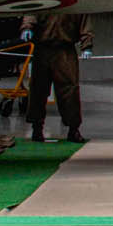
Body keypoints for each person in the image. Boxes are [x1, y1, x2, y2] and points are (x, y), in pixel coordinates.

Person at [21, 12, 92, 143]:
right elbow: (32, 11)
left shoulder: (76, 1)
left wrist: (86, 45)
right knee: (38, 89)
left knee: (70, 90)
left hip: (65, 50)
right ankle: (37, 127)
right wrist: (27, 27)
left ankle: (73, 129)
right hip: (42, 49)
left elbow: (84, 23)